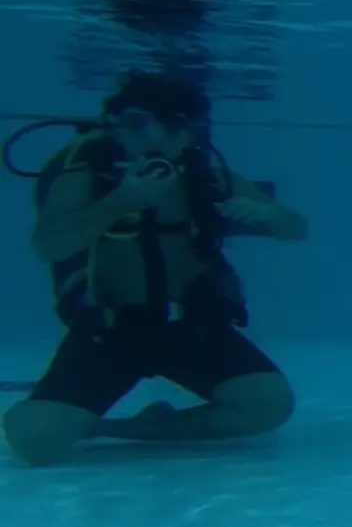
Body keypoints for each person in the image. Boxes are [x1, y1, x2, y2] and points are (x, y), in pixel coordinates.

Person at [3, 71, 305, 466]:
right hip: (112, 330)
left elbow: (296, 229)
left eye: (171, 128)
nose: (151, 141)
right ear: (115, 128)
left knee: (268, 406)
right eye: (133, 126)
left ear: (188, 133)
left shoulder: (207, 178)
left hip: (188, 327)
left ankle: (121, 429)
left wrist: (267, 214)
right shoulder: (85, 176)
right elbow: (47, 246)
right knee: (36, 442)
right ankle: (75, 417)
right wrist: (118, 202)